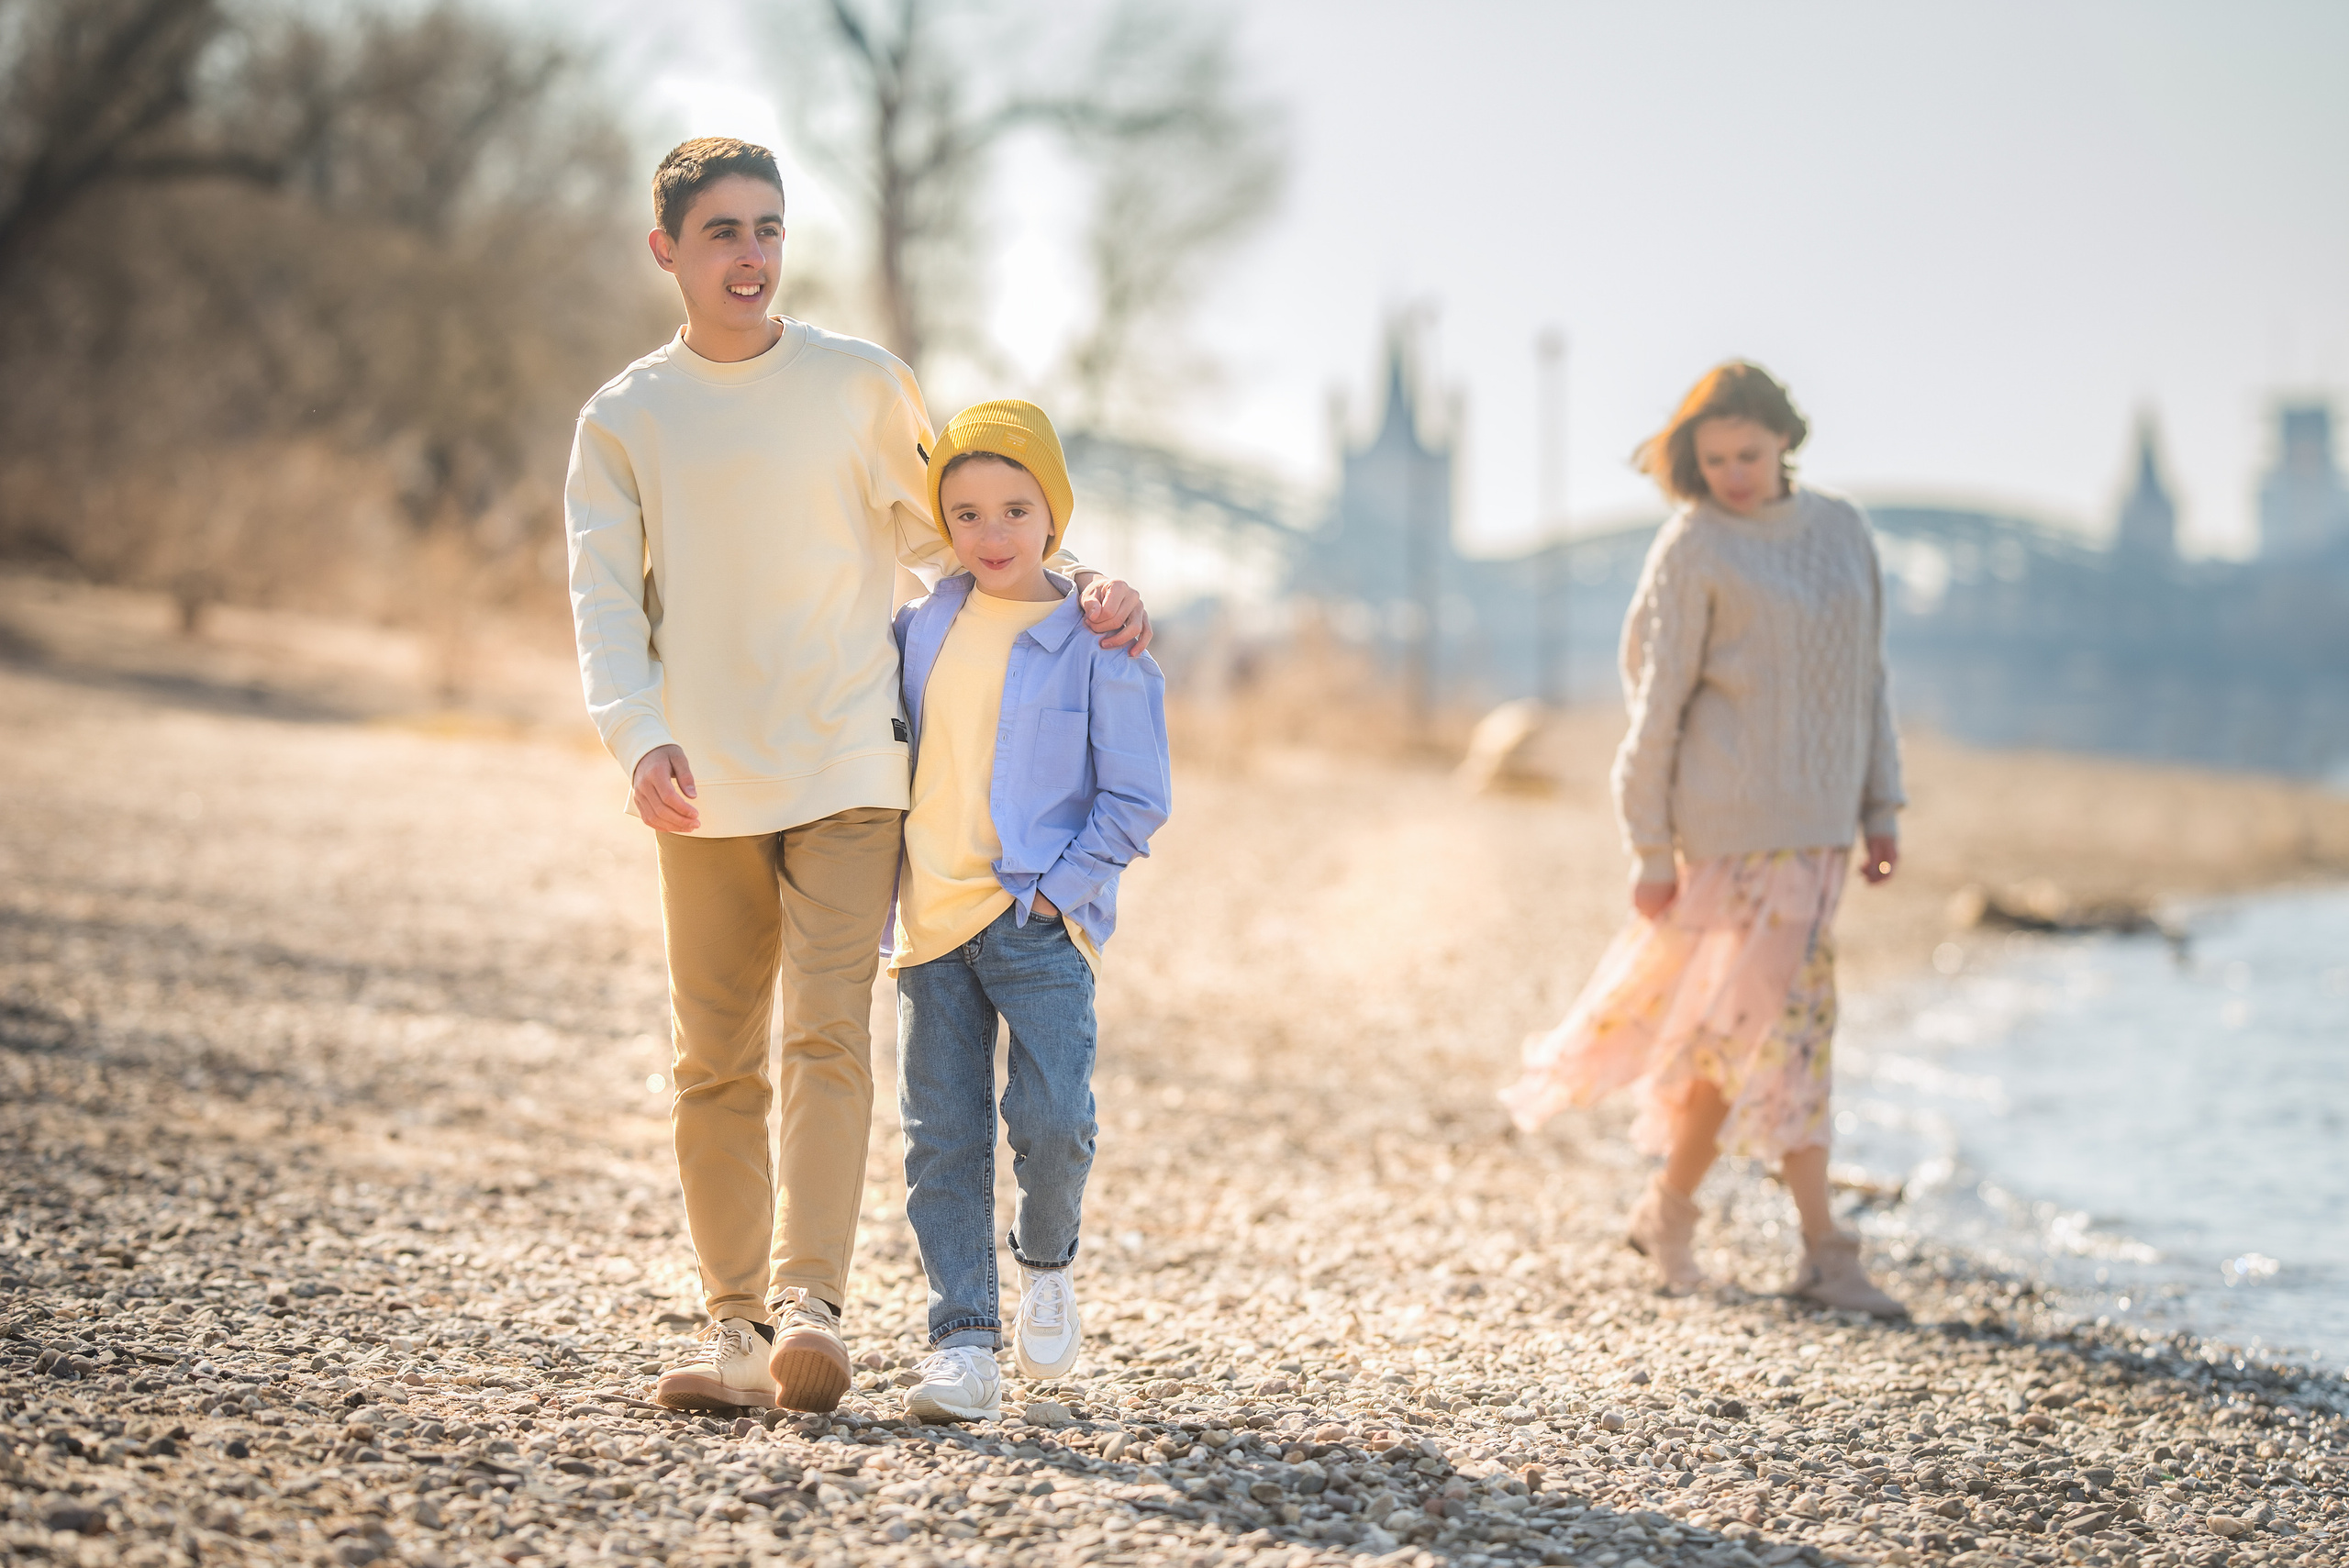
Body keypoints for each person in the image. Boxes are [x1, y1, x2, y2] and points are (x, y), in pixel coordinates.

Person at [562, 139, 1152, 1414]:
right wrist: (637, 734)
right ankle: (733, 1328)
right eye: (722, 232)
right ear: (667, 250)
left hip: (846, 764)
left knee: (827, 1035)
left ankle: (812, 1310)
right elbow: (605, 605)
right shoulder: (624, 417)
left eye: (768, 228)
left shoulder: (859, 387)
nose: (751, 255)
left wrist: (1091, 582)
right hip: (700, 777)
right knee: (713, 1058)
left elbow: (980, 534)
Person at [1500, 361, 1908, 1318]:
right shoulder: (1692, 545)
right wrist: (1647, 847)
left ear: (1784, 443)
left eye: (1748, 454)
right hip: (1728, 834)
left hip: (1819, 837)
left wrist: (1881, 807)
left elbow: (1867, 679)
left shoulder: (1842, 531)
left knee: (1769, 1033)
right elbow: (1656, 705)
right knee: (1768, 1030)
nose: (1731, 473)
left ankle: (1690, 1213)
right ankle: (1806, 1244)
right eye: (1714, 457)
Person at [884, 401, 1170, 1423]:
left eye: (1015, 509)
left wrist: (1058, 888)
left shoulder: (1100, 638)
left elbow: (1137, 795)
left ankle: (1046, 1259)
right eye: (964, 513)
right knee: (940, 1137)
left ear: (1055, 511)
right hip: (928, 926)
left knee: (1053, 1121)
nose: (991, 534)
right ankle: (963, 1342)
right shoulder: (919, 625)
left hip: (1042, 921)